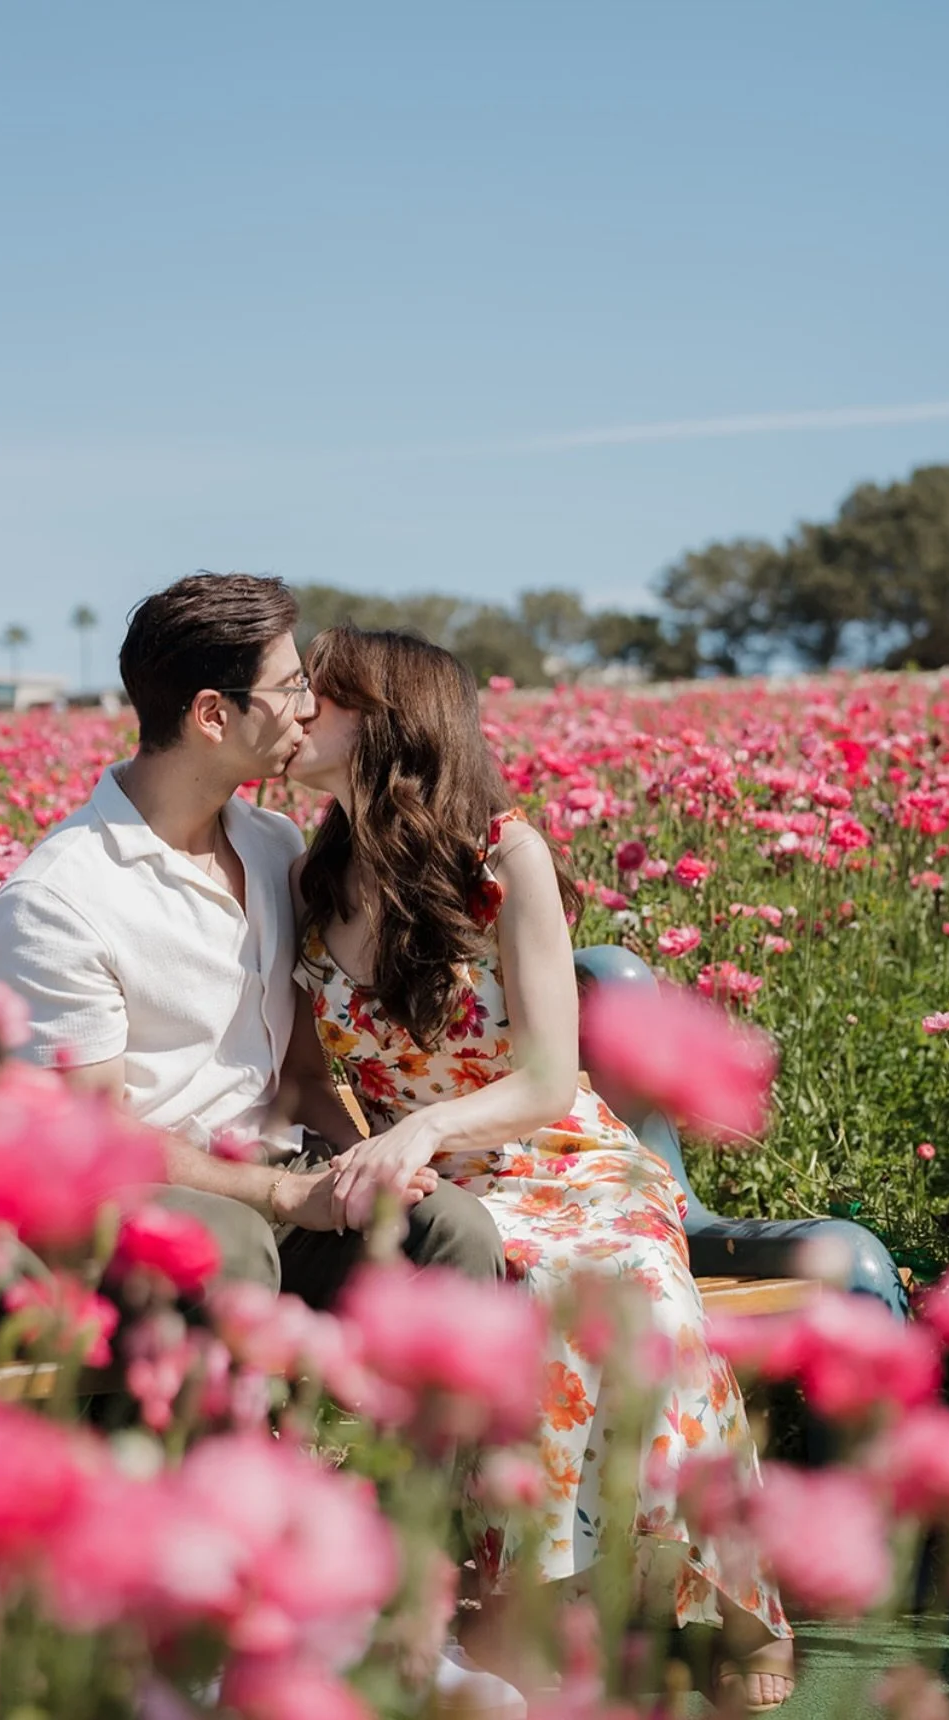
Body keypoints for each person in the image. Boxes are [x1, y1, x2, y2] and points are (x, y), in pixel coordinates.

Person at [284, 625, 794, 1713]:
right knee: (499, 1286)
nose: (293, 714)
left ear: (388, 723)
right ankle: (520, 1602)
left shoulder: (501, 856)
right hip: (434, 1187)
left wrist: (419, 1133)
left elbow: (549, 1079)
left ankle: (723, 1596)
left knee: (612, 1293)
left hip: (559, 1161)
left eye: (319, 699)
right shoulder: (308, 880)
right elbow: (305, 1075)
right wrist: (363, 1151)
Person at [0, 573, 504, 1306]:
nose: (311, 706)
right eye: (290, 687)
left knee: (454, 1228)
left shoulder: (273, 845)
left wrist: (365, 1168)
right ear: (212, 716)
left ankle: (451, 1422)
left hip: (279, 1181)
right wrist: (283, 1197)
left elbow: (306, 1081)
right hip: (136, 1207)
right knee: (232, 1243)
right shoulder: (60, 899)